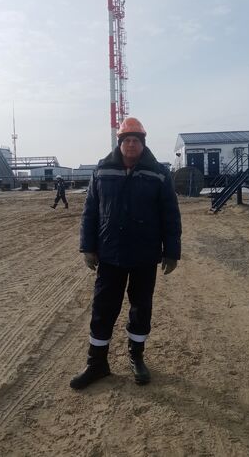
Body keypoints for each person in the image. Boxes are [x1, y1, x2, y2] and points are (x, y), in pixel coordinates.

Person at [70, 117, 182, 390]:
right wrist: (88, 247)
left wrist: (172, 252)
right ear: (119, 143)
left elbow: (170, 214)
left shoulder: (158, 173)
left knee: (141, 308)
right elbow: (90, 211)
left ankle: (136, 357)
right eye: (127, 140)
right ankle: (97, 363)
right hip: (110, 254)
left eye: (136, 140)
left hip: (145, 254)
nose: (131, 145)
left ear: (143, 144)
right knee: (103, 308)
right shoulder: (103, 170)